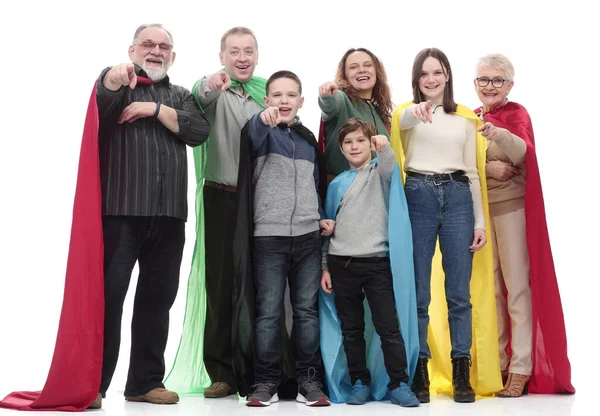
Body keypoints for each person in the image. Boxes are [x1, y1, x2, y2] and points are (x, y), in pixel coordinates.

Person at [91, 23, 210, 408]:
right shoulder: (118, 84)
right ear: (132, 50)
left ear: (172, 56)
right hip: (122, 212)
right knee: (109, 300)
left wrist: (156, 109)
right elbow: (101, 100)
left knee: (157, 302)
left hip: (170, 216)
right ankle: (94, 384)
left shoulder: (180, 95)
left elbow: (197, 131)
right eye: (148, 44)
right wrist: (111, 77)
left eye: (164, 46)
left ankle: (144, 382)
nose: (156, 51)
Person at [389, 48, 501, 403]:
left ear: (447, 76)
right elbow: (402, 127)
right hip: (418, 196)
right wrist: (416, 111)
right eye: (424, 74)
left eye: (437, 72)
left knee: (458, 295)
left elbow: (472, 173)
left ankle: (461, 371)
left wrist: (479, 221)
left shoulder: (464, 118)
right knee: (420, 294)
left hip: (457, 199)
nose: (431, 79)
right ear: (416, 79)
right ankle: (419, 369)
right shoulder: (407, 114)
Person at [164, 27, 266, 399]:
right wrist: (211, 81)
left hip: (262, 203)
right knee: (220, 286)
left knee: (263, 285)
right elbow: (197, 94)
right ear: (222, 56)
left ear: (257, 55)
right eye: (234, 51)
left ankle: (261, 370)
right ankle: (221, 372)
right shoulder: (209, 91)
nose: (242, 58)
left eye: (249, 51)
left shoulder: (266, 93)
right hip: (221, 197)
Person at [474, 54, 575, 397]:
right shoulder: (469, 119)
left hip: (511, 209)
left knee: (517, 288)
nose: (490, 86)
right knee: (491, 289)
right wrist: (489, 169)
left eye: (497, 80)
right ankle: (499, 363)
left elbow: (521, 153)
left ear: (510, 86)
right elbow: (465, 166)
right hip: (480, 214)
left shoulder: (516, 114)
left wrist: (497, 135)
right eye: (483, 80)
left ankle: (520, 368)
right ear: (475, 84)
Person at [236, 70, 331, 407]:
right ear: (267, 100)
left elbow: (314, 184)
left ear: (301, 101)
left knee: (306, 311)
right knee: (269, 313)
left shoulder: (306, 140)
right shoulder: (260, 132)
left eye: (291, 95)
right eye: (277, 95)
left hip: (307, 237)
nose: (284, 101)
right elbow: (252, 132)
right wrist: (262, 120)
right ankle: (265, 381)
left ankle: (308, 379)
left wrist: (320, 216)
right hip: (269, 236)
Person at [319, 118, 420, 407]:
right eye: (348, 142)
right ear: (341, 148)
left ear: (370, 142)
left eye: (360, 140)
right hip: (341, 264)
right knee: (351, 329)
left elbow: (390, 167)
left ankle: (399, 382)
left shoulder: (380, 173)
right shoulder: (337, 184)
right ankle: (359, 381)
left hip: (376, 263)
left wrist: (384, 148)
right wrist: (325, 265)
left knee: (388, 326)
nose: (354, 146)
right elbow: (329, 231)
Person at [318, 48, 392, 180]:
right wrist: (326, 96)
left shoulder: (380, 113)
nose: (362, 70)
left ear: (376, 72)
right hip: (345, 192)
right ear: (345, 75)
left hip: (377, 191)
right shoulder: (342, 100)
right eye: (353, 67)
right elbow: (330, 105)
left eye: (368, 65)